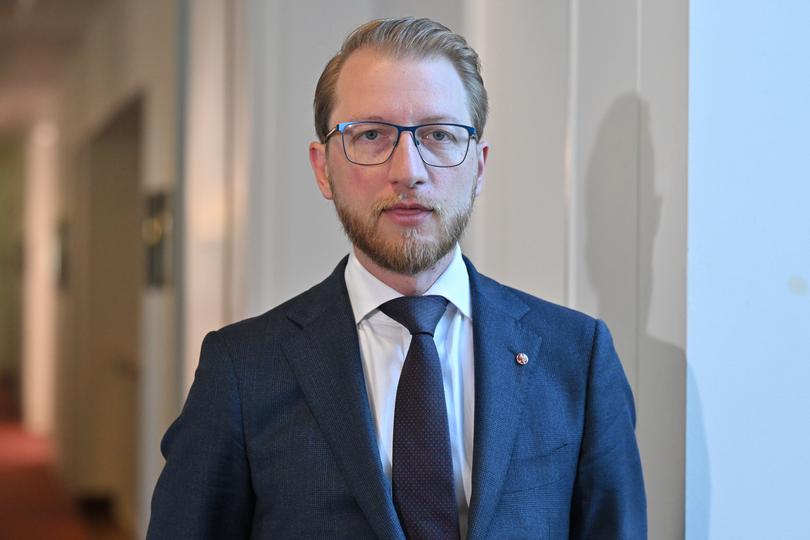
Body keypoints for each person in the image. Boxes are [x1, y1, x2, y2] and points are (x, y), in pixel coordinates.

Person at [147, 17, 646, 540]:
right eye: (370, 135)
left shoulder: (577, 357)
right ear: (323, 169)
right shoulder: (243, 370)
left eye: (438, 134)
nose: (408, 169)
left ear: (478, 166)